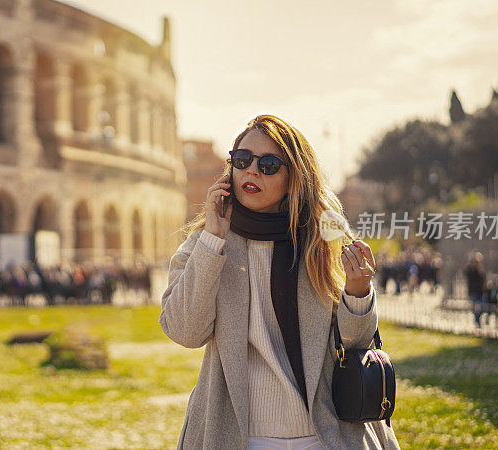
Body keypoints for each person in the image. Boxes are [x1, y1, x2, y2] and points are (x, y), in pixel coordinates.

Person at [159, 115, 399, 449]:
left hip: (325, 434)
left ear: (294, 176)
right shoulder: (205, 243)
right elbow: (184, 331)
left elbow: (355, 344)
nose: (252, 171)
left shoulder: (323, 241)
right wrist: (213, 240)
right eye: (242, 160)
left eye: (269, 164)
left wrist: (358, 293)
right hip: (240, 437)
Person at [464, 252, 487, 327]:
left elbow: (483, 279)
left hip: (480, 291)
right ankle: (477, 321)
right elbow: (467, 275)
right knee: (475, 307)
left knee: (482, 307)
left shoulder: (481, 269)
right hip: (473, 291)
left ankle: (478, 319)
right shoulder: (470, 269)